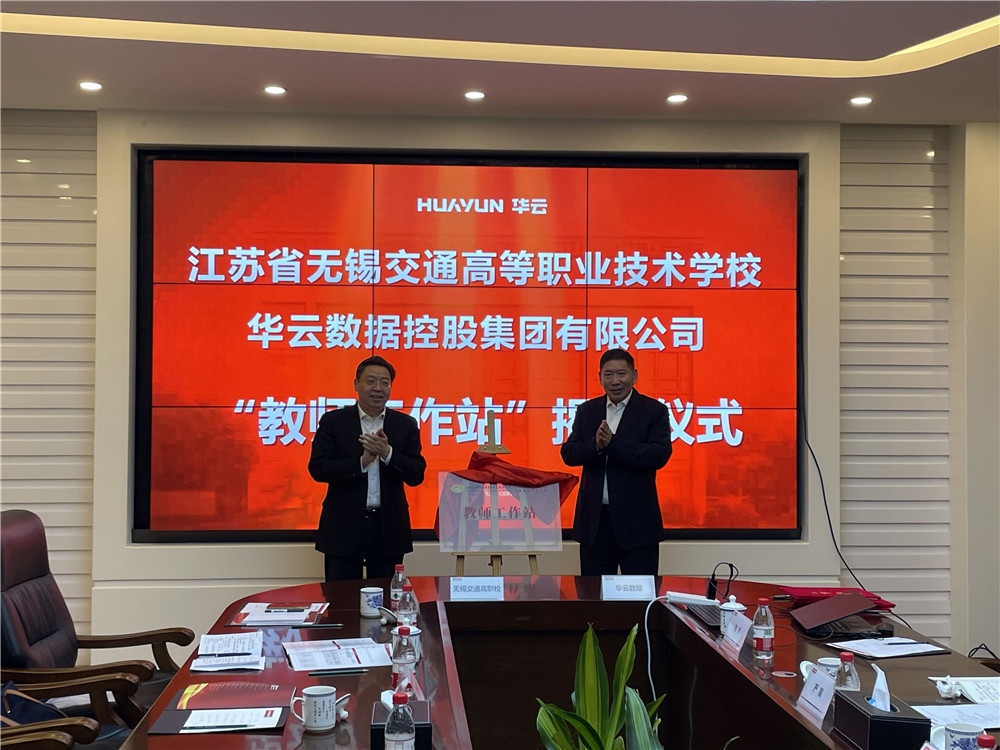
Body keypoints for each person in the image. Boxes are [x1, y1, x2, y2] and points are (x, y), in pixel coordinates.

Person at [308, 355, 426, 581]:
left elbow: (416, 473)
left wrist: (387, 453)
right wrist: (360, 462)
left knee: (386, 595)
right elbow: (318, 468)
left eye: (385, 383)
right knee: (341, 596)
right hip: (342, 525)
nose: (378, 388)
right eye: (371, 381)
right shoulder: (334, 421)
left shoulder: (405, 425)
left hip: (388, 527)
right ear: (356, 384)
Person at [561, 348, 672, 575]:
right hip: (595, 524)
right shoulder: (588, 411)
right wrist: (596, 445)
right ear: (600, 377)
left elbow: (658, 455)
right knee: (592, 593)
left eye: (621, 374)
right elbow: (569, 453)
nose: (615, 381)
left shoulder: (654, 411)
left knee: (640, 593)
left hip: (638, 523)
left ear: (634, 375)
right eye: (608, 374)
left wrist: (613, 444)